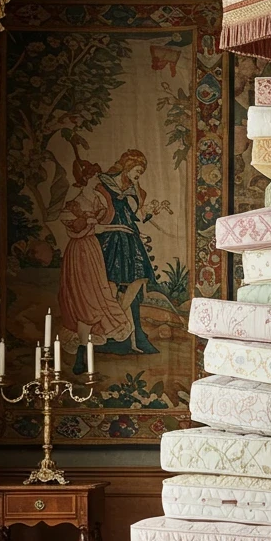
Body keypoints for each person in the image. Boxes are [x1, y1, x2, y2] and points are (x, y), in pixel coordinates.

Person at [57, 156, 133, 374]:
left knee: (94, 297)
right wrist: (90, 224)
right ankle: (82, 352)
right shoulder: (76, 202)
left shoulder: (99, 199)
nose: (98, 179)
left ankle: (84, 350)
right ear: (87, 178)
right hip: (78, 252)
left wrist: (118, 227)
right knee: (82, 299)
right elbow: (73, 227)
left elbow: (101, 225)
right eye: (95, 176)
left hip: (92, 252)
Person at [95, 149, 160, 355]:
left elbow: (138, 217)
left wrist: (150, 211)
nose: (138, 175)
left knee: (140, 276)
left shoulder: (135, 189)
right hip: (112, 236)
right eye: (137, 171)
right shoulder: (105, 184)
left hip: (130, 236)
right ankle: (114, 326)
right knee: (112, 281)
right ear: (127, 166)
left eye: (140, 173)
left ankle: (119, 317)